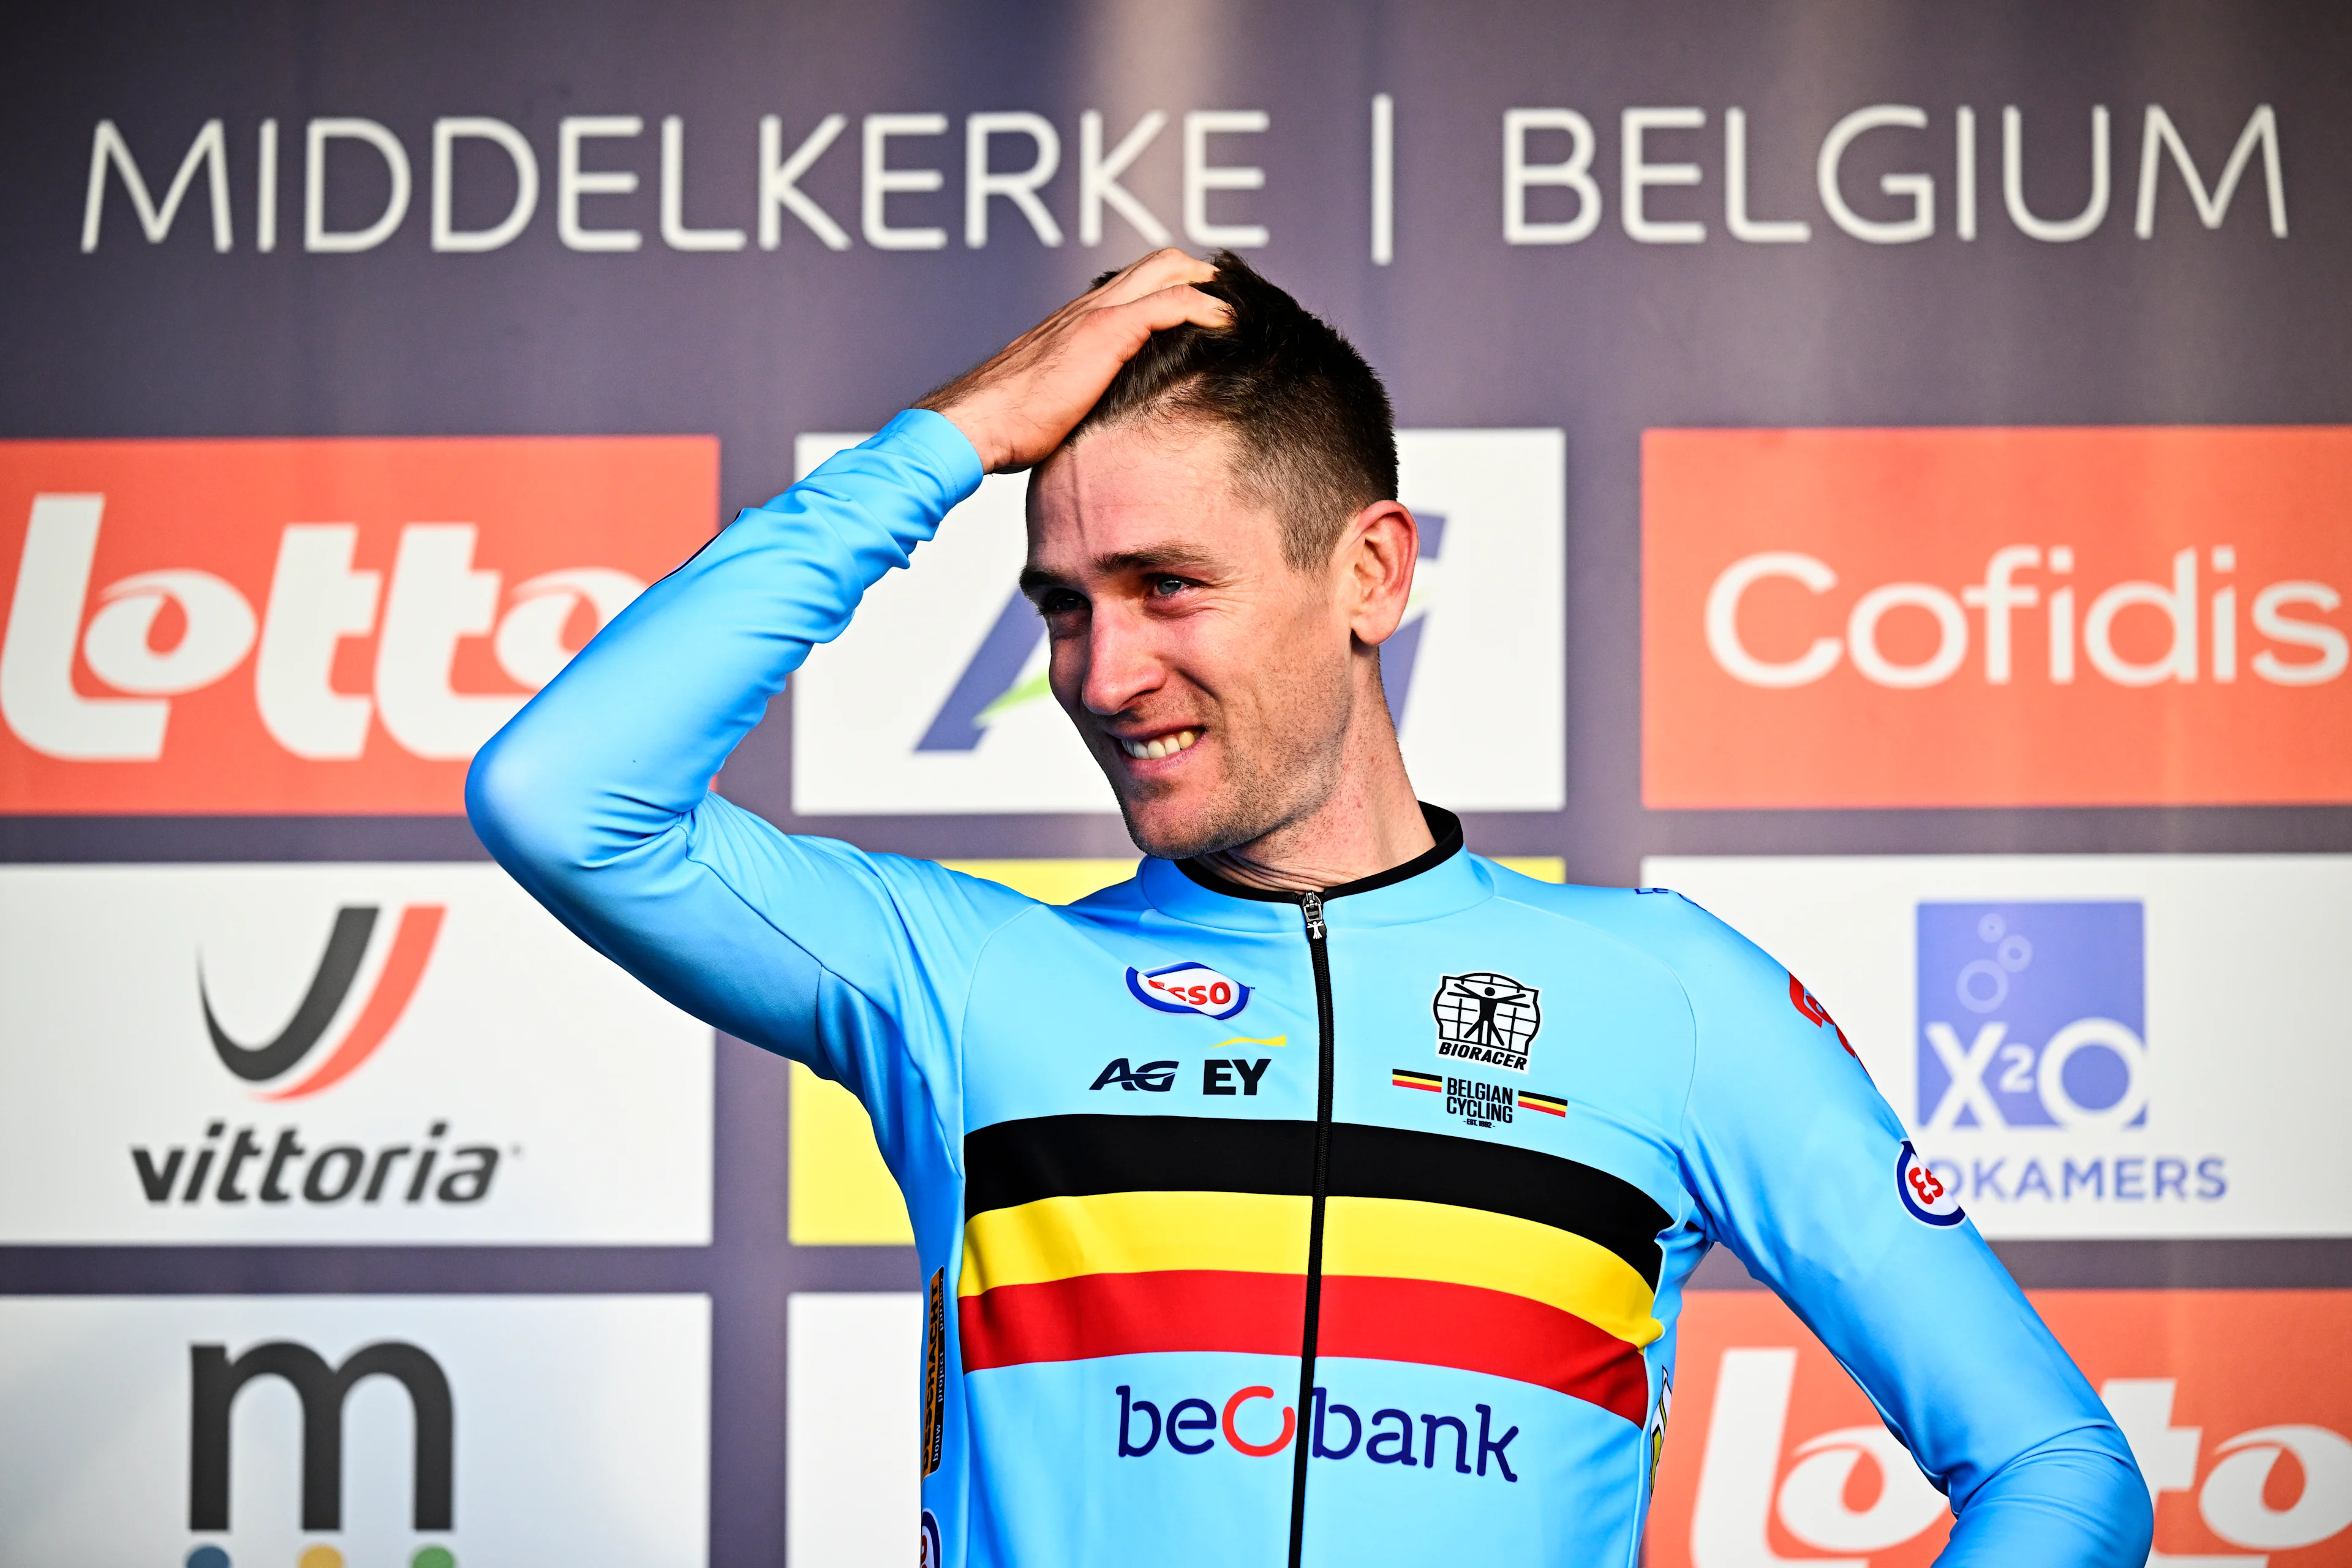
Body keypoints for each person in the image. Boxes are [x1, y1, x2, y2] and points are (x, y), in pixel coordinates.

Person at [468, 249, 2152, 1567]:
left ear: (1373, 573)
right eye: (1062, 607)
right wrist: (957, 438)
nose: (1102, 675)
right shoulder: (962, 984)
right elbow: (568, 796)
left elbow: (2058, 1469)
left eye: (1169, 588)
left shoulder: (1673, 998)